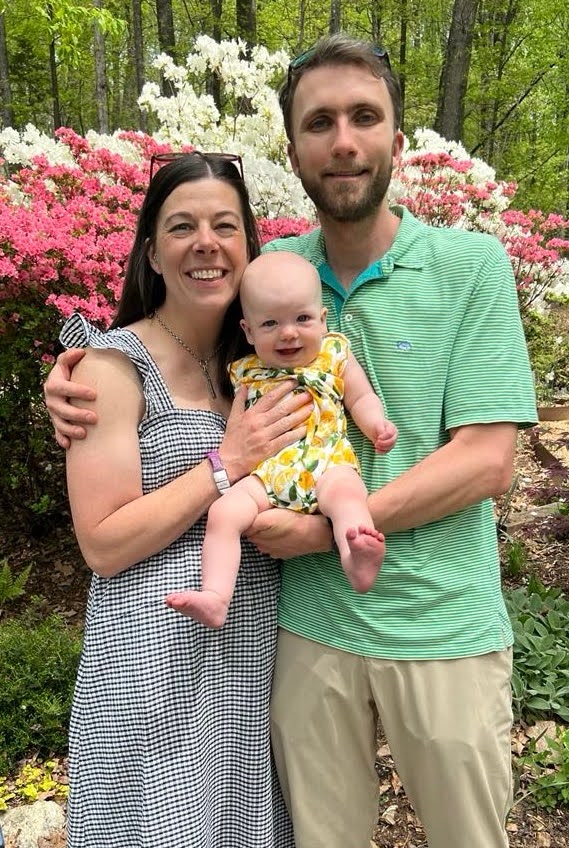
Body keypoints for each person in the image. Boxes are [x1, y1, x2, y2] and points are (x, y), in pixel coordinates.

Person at [45, 34, 538, 848]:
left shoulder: (471, 265)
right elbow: (161, 355)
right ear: (296, 148)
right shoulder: (274, 281)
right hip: (302, 640)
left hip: (441, 630)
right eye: (320, 123)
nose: (343, 141)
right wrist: (68, 387)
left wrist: (327, 527)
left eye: (364, 117)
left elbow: (488, 460)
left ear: (397, 142)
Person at [53, 151, 313, 848]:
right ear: (153, 254)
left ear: (249, 250)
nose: (207, 242)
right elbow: (102, 545)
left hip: (251, 650)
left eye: (226, 226)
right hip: (150, 656)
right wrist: (225, 464)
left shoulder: (264, 358)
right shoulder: (113, 366)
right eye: (182, 227)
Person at [166, 250, 398, 628]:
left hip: (327, 463)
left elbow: (360, 397)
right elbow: (235, 424)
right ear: (248, 332)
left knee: (348, 500)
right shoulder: (244, 371)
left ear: (323, 320)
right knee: (223, 514)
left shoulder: (334, 354)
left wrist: (376, 426)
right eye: (270, 323)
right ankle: (215, 595)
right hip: (269, 475)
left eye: (302, 319)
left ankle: (356, 561)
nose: (288, 333)